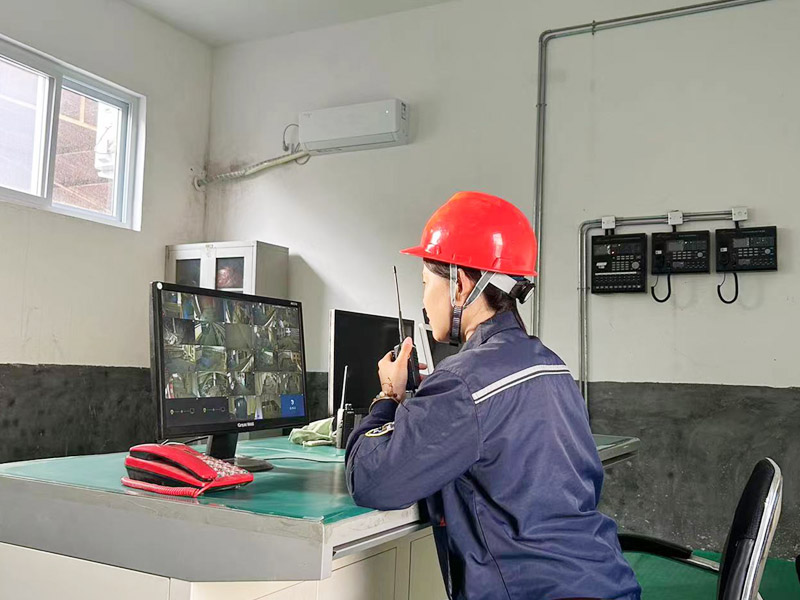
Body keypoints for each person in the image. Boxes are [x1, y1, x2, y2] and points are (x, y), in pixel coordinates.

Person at [345, 191, 641, 600]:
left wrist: (388, 398)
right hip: (606, 582)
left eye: (426, 283)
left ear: (459, 285)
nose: (425, 301)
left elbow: (372, 480)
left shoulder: (463, 382)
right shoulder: (550, 364)